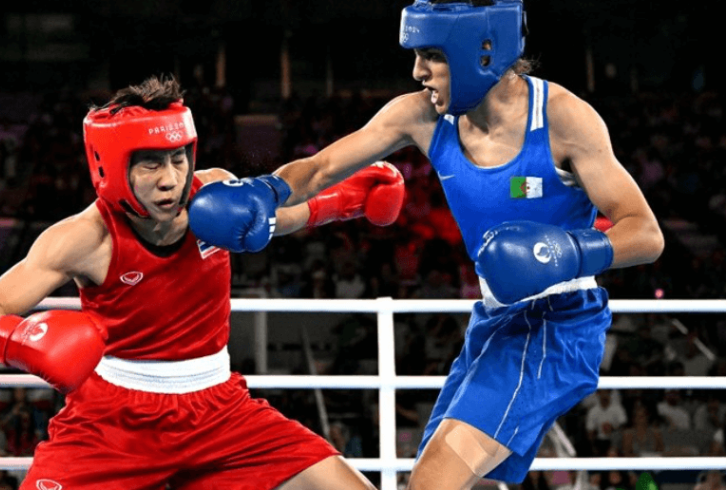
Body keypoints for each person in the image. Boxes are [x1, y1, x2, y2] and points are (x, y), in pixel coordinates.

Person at [187, 0, 664, 487]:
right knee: (470, 483)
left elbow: (645, 232)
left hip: (559, 325)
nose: (418, 72)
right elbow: (322, 169)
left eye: (432, 55)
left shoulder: (562, 118)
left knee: (433, 481)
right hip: (494, 323)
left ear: (482, 52)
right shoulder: (420, 116)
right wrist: (268, 191)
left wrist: (562, 252)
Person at [0, 75, 405, 489]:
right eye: (151, 165)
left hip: (221, 411)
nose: (170, 180)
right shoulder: (86, 238)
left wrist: (351, 198)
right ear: (113, 168)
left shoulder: (213, 197)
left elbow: (281, 216)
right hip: (112, 423)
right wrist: (23, 340)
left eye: (178, 159)